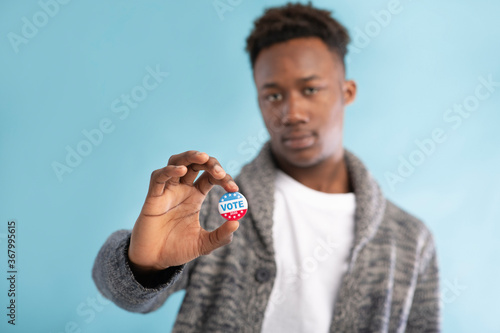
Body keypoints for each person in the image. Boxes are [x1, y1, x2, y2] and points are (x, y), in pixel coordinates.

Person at [92, 2, 441, 332]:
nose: (291, 114)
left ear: (346, 92)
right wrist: (142, 264)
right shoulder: (211, 207)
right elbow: (123, 293)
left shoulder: (409, 239)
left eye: (310, 89)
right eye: (273, 95)